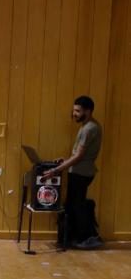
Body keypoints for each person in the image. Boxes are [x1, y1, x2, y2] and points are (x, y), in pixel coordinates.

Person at [44, 96, 103, 249]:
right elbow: (79, 155)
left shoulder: (89, 128)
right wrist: (65, 161)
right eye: (74, 110)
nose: (74, 113)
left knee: (77, 206)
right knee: (73, 205)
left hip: (81, 173)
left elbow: (79, 157)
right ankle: (73, 238)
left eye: (78, 111)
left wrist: (56, 170)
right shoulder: (87, 126)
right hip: (79, 170)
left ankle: (86, 238)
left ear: (88, 111)